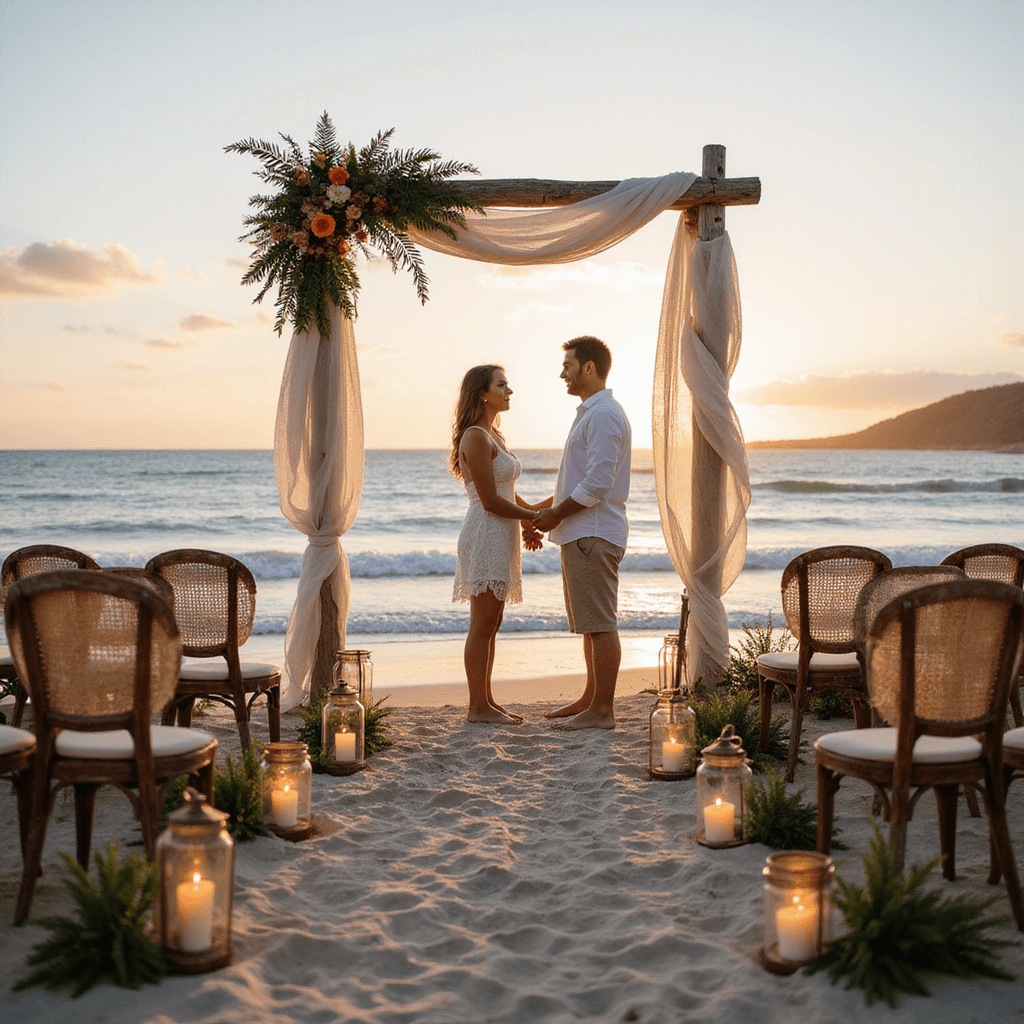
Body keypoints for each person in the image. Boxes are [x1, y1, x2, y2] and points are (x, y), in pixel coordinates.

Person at [532, 337, 631, 730]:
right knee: (590, 623)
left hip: (592, 533)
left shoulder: (604, 414)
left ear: (589, 367)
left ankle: (603, 711)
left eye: (568, 366)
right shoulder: (592, 413)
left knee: (601, 623)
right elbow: (575, 481)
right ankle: (591, 699)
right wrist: (544, 510)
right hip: (581, 532)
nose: (563, 374)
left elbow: (597, 484)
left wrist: (555, 513)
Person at [451, 365, 544, 724]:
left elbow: (508, 491)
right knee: (482, 622)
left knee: (494, 620)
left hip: (501, 531)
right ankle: (477, 707)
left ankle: (487, 701)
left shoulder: (495, 436)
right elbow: (489, 500)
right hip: (485, 531)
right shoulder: (475, 436)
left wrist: (525, 521)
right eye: (502, 385)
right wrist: (533, 517)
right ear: (482, 394)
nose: (509, 391)